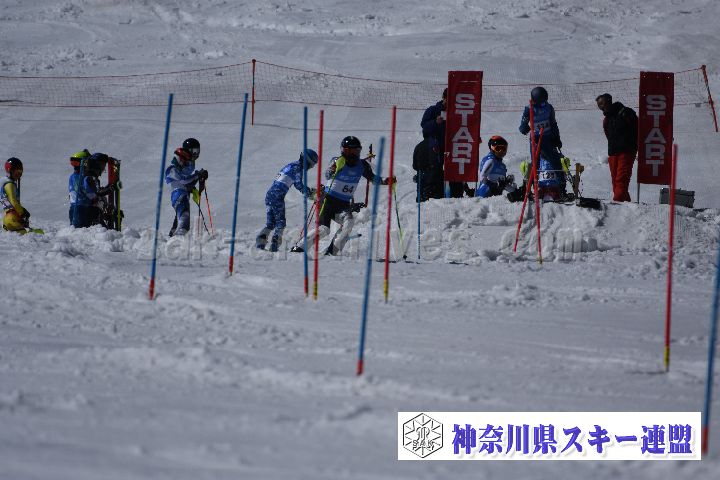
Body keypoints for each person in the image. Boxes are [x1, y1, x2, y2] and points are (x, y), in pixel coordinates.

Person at [299, 136, 392, 256]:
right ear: (343, 150)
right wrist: (333, 170)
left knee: (349, 223)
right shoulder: (337, 161)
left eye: (356, 151)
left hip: (343, 204)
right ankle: (299, 248)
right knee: (324, 229)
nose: (353, 154)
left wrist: (386, 180)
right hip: (327, 200)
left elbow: (372, 178)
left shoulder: (362, 165)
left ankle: (331, 252)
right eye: (349, 151)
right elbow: (328, 174)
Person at [256, 149, 319, 252]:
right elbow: (299, 185)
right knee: (280, 223)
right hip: (277, 196)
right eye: (311, 164)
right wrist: (311, 194)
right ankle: (274, 247)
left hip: (270, 194)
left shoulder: (292, 165)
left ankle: (260, 244)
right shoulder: (298, 168)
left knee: (270, 223)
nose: (311, 167)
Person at [519, 86, 565, 201]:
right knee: (535, 163)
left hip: (548, 138)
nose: (543, 105)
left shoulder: (549, 108)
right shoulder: (529, 109)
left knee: (555, 160)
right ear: (534, 100)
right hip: (535, 139)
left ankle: (561, 188)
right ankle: (531, 188)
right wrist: (524, 128)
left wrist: (557, 138)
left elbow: (553, 123)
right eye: (541, 103)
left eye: (544, 102)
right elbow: (523, 125)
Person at [420, 88, 465, 198]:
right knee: (436, 172)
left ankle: (457, 196)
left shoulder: (458, 112)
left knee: (454, 171)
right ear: (444, 98)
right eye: (449, 99)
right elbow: (424, 126)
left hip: (453, 147)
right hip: (436, 147)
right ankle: (437, 196)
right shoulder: (433, 110)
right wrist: (435, 122)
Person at [596, 93, 638, 202]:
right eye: (599, 105)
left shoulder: (625, 112)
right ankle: (626, 206)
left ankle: (616, 205)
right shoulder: (606, 120)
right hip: (613, 153)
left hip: (626, 152)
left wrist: (635, 147)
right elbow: (608, 136)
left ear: (609, 101)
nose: (601, 107)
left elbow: (638, 129)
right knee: (616, 182)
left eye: (602, 103)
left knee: (621, 180)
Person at [164, 138, 207, 236]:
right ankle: (179, 236)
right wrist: (197, 175)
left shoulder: (188, 164)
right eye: (194, 151)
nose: (196, 154)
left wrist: (199, 179)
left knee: (180, 215)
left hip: (183, 193)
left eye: (197, 151)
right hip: (178, 194)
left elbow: (187, 181)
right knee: (184, 216)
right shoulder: (172, 168)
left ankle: (172, 234)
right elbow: (183, 180)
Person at [68, 151, 115, 228]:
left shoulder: (73, 176)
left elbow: (82, 191)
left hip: (74, 209)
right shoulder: (87, 177)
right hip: (84, 209)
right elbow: (92, 193)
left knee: (77, 230)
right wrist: (107, 190)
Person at [1, 157, 30, 233]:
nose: (18, 175)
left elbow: (11, 203)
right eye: (16, 172)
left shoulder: (8, 184)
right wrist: (23, 212)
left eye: (20, 172)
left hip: (8, 217)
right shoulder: (9, 185)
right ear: (9, 170)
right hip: (12, 217)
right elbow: (13, 201)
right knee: (25, 235)